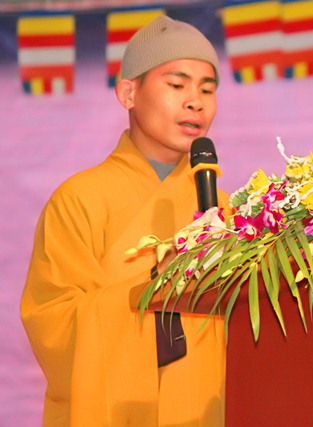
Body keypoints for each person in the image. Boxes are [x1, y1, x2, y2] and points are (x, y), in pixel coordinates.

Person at [21, 16, 231, 426]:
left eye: (207, 89)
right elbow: (54, 327)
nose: (196, 102)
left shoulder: (223, 211)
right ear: (128, 93)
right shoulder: (79, 199)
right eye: (177, 85)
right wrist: (153, 286)